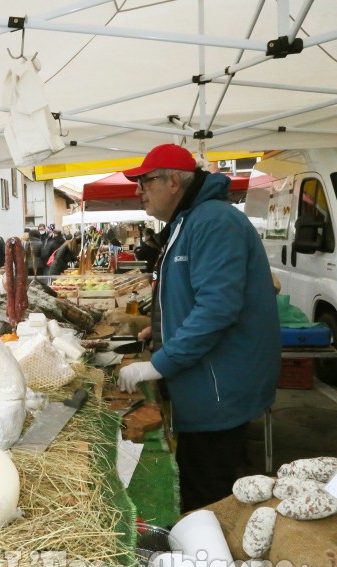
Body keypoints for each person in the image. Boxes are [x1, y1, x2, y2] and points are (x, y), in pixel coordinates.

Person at [116, 144, 280, 513]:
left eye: (145, 181)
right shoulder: (190, 220)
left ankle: (212, 562)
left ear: (174, 181)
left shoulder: (213, 221)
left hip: (219, 385)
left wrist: (159, 363)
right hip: (207, 381)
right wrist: (157, 332)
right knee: (202, 475)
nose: (139, 190)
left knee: (206, 491)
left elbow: (217, 308)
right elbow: (191, 294)